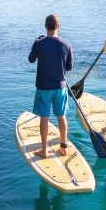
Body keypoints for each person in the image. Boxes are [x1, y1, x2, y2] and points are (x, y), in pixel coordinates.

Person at [28, 13, 73, 159]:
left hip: (43, 87)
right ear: (58, 26)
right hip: (60, 87)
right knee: (61, 116)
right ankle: (63, 147)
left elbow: (31, 59)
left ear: (45, 26)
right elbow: (69, 67)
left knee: (44, 118)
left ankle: (44, 150)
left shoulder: (39, 43)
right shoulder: (66, 44)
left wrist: (35, 42)